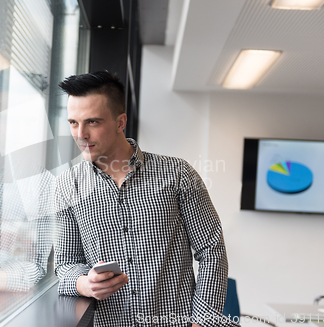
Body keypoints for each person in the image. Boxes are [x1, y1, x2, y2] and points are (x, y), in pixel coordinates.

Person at [54, 71, 239, 326]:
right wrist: (84, 284)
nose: (80, 134)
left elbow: (212, 250)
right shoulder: (67, 185)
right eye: (73, 122)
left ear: (120, 122)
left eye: (93, 122)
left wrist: (201, 322)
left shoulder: (178, 174)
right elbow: (66, 264)